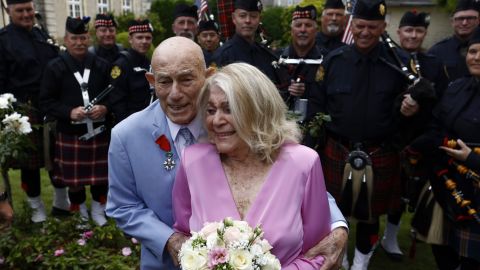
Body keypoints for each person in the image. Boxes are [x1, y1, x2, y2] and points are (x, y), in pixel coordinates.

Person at [106, 36, 348, 270]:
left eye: (186, 80)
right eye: (164, 81)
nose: (175, 94)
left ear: (207, 76)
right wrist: (169, 239)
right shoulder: (126, 136)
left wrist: (337, 226)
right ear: (151, 80)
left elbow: (295, 177)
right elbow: (122, 206)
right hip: (163, 262)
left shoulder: (227, 117)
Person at [172, 62, 331, 269]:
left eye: (229, 109)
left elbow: (319, 252)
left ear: (258, 111)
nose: (216, 120)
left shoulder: (303, 163)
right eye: (211, 110)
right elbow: (184, 237)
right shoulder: (192, 162)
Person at [313, 0, 430, 268]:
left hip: (380, 151)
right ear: (351, 25)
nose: (365, 32)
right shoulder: (333, 61)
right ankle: (339, 258)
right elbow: (318, 105)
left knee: (370, 216)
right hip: (337, 149)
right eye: (361, 26)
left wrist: (411, 110)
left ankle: (361, 263)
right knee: (333, 212)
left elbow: (417, 112)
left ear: (384, 27)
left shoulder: (400, 64)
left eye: (373, 27)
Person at [380, 10, 450, 261]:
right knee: (384, 190)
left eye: (418, 31)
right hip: (390, 135)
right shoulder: (388, 58)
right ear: (399, 32)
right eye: (408, 30)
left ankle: (390, 236)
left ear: (425, 34)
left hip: (419, 138)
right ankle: (374, 236)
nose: (413, 35)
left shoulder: (432, 64)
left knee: (407, 192)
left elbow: (441, 100)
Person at [411, 27, 480, 270]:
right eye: (473, 51)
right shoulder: (456, 87)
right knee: (442, 248)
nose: (476, 57)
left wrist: (473, 159)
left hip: (475, 190)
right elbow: (436, 124)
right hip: (444, 182)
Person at [0, 0, 70, 223]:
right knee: (29, 164)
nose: (26, 14)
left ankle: (61, 203)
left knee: (57, 158)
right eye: (20, 10)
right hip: (23, 110)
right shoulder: (3, 40)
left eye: (29, 9)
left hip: (50, 106)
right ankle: (36, 208)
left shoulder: (41, 34)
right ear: (8, 11)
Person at [39, 17, 112, 226]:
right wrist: (68, 112)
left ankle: (98, 211)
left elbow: (114, 96)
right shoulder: (55, 67)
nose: (79, 42)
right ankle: (80, 213)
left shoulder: (101, 65)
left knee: (101, 178)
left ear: (88, 38)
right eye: (74, 38)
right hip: (70, 134)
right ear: (66, 39)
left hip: (99, 133)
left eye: (83, 38)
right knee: (74, 182)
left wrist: (105, 108)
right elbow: (46, 101)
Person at [212, 0, 281, 85]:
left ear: (259, 19)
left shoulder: (266, 54)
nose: (248, 20)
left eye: (253, 16)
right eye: (242, 16)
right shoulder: (223, 56)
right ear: (234, 18)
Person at [278, 6, 323, 116]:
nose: (303, 30)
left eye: (308, 25)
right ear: (291, 30)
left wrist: (307, 90)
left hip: (318, 128)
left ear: (316, 30)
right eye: (298, 25)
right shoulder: (277, 59)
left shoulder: (326, 60)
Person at [110, 19, 153, 124]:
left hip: (150, 120)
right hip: (130, 123)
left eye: (148, 38)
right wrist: (129, 127)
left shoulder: (149, 61)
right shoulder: (121, 65)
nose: (144, 41)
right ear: (130, 39)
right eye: (139, 37)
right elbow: (117, 102)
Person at [429, 0, 480, 82]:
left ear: (479, 20)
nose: (464, 23)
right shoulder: (436, 52)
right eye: (460, 19)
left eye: (470, 18)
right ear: (452, 22)